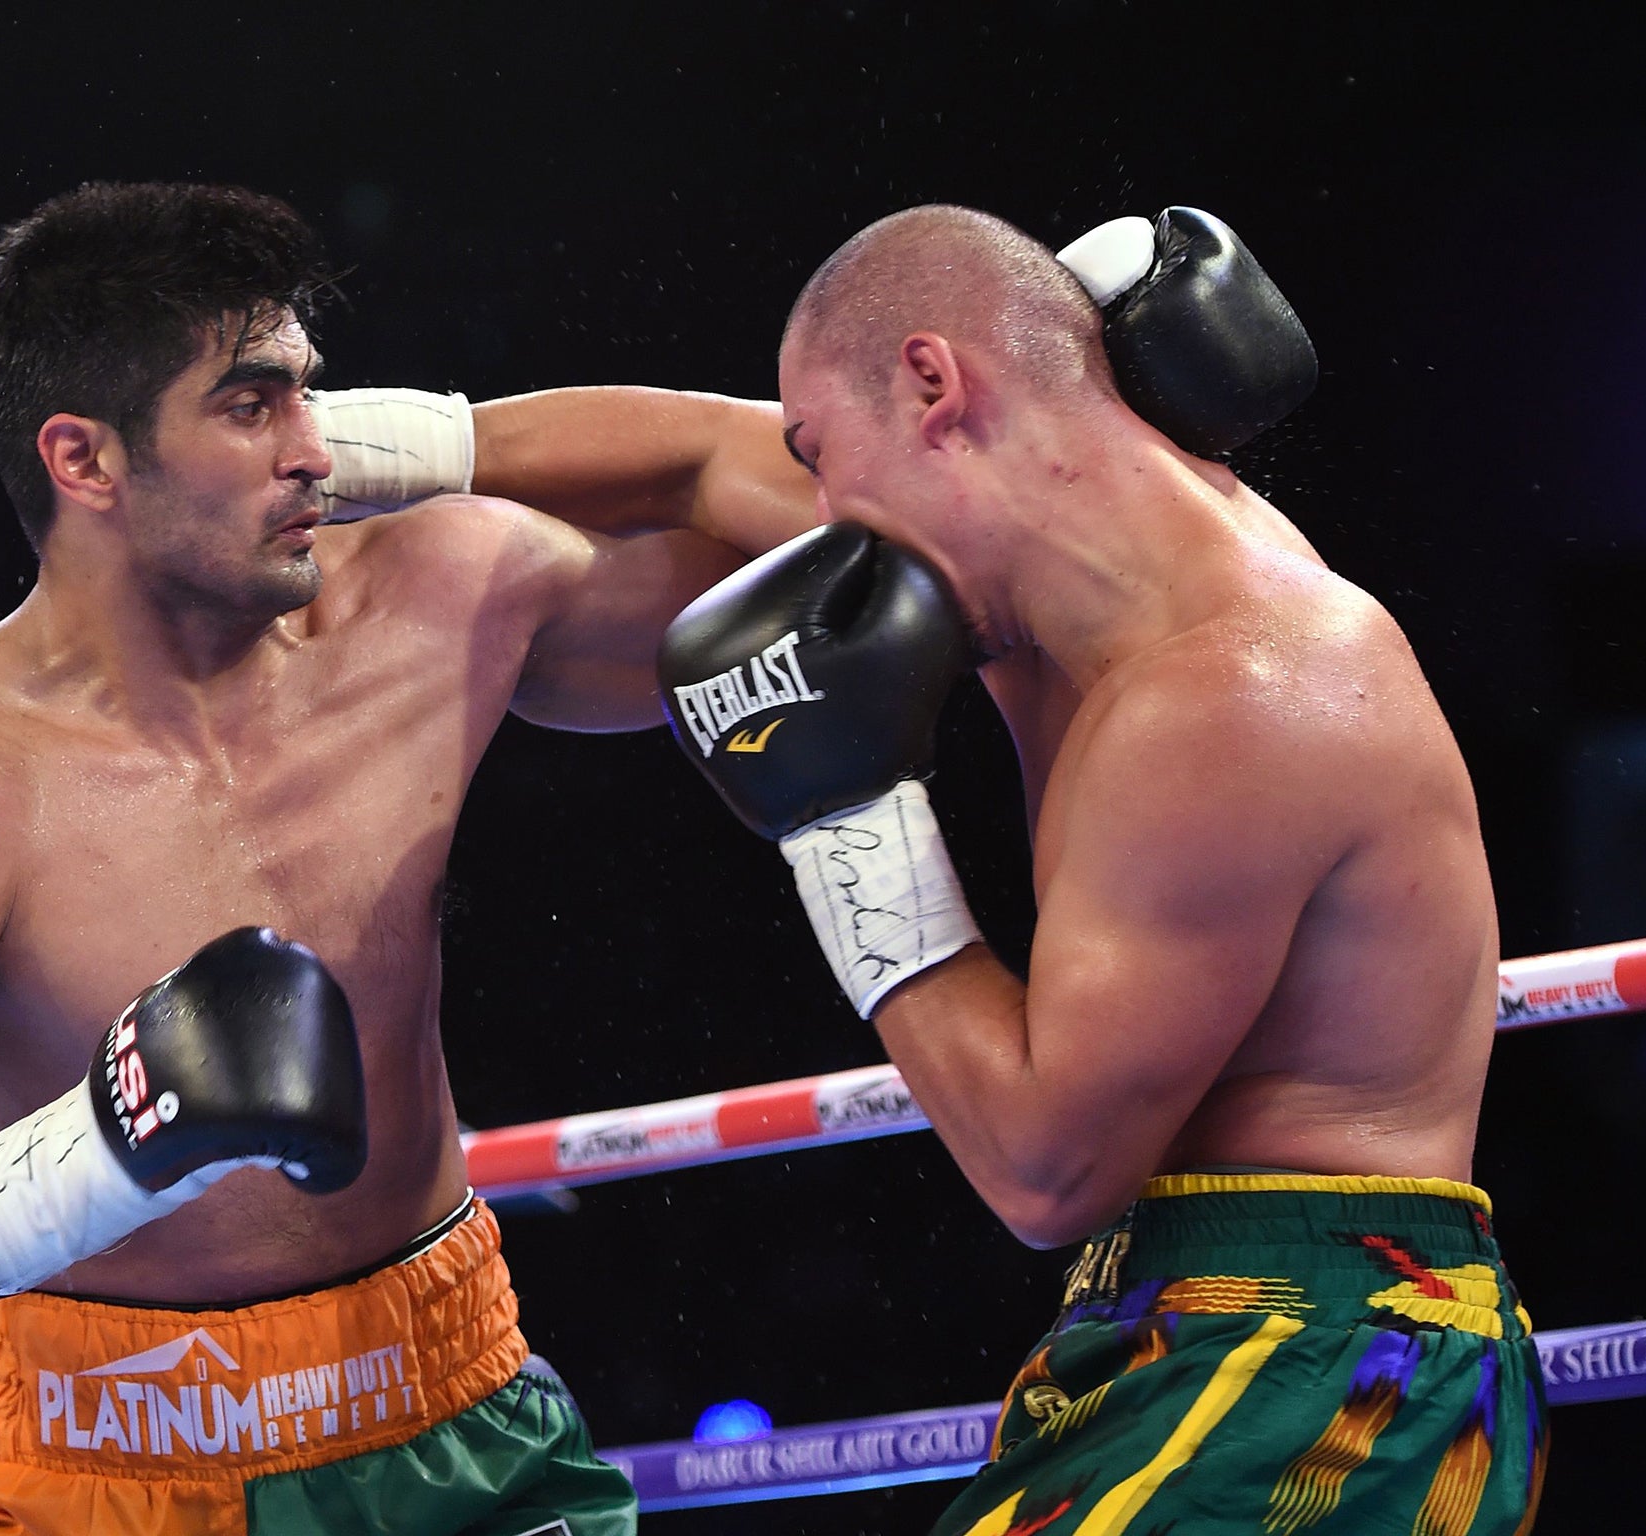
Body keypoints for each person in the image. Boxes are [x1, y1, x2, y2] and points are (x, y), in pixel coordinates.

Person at [0, 180, 813, 1536]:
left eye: (315, 395)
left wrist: (443, 441)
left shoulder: (437, 600)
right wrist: (105, 1150)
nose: (314, 451)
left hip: (448, 1411)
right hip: (95, 1474)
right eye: (252, 406)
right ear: (83, 462)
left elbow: (803, 507)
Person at [655, 205, 1547, 1534]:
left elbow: (1044, 1172)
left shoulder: (1228, 689)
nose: (827, 518)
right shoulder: (1067, 586)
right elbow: (680, 451)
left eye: (823, 457)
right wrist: (404, 451)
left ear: (935, 385)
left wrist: (847, 831)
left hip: (1332, 1367)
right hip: (1179, 1327)